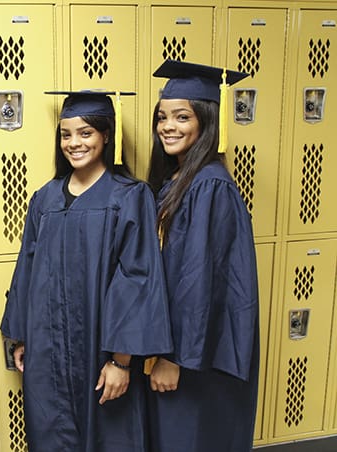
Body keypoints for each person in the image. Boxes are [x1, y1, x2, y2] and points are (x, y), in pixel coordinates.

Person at [0, 90, 173, 451]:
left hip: (101, 352)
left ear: (106, 135)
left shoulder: (129, 196)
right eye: (66, 135)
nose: (74, 143)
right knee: (52, 434)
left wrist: (121, 362)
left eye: (86, 133)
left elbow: (137, 278)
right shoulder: (44, 199)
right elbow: (27, 270)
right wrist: (22, 338)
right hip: (47, 352)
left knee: (109, 436)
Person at [146, 59, 260, 452]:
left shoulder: (210, 185)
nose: (168, 126)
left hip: (195, 358)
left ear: (207, 123)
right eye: (162, 117)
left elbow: (198, 280)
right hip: (181, 347)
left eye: (181, 117)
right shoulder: (180, 179)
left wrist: (174, 358)